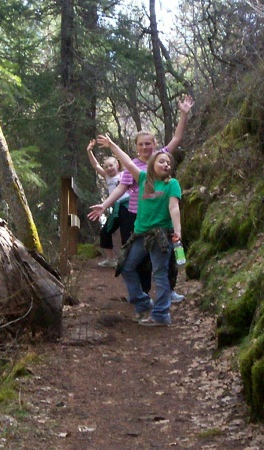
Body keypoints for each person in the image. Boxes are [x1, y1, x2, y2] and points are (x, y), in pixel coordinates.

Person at [88, 95, 194, 301]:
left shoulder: (161, 158)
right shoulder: (133, 168)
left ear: (154, 144)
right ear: (136, 147)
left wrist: (183, 114)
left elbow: (177, 139)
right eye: (141, 144)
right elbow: (120, 189)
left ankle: (168, 291)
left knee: (168, 256)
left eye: (148, 144)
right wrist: (104, 205)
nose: (145, 147)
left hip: (161, 217)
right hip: (137, 216)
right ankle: (144, 293)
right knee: (139, 258)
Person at [96, 134, 182, 326]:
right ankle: (143, 302)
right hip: (141, 234)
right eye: (161, 162)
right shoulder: (143, 178)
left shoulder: (172, 184)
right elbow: (126, 161)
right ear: (153, 165)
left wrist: (178, 231)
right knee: (126, 266)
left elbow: (174, 208)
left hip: (161, 235)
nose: (166, 165)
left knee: (160, 273)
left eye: (168, 163)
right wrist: (112, 146)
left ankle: (161, 314)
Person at [86, 139, 129, 267]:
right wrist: (89, 151)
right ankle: (111, 259)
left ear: (117, 165)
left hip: (127, 206)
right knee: (105, 231)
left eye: (111, 165)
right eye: (106, 166)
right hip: (115, 208)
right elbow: (95, 165)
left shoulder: (124, 175)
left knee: (126, 233)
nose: (109, 168)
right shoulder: (107, 177)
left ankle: (128, 260)